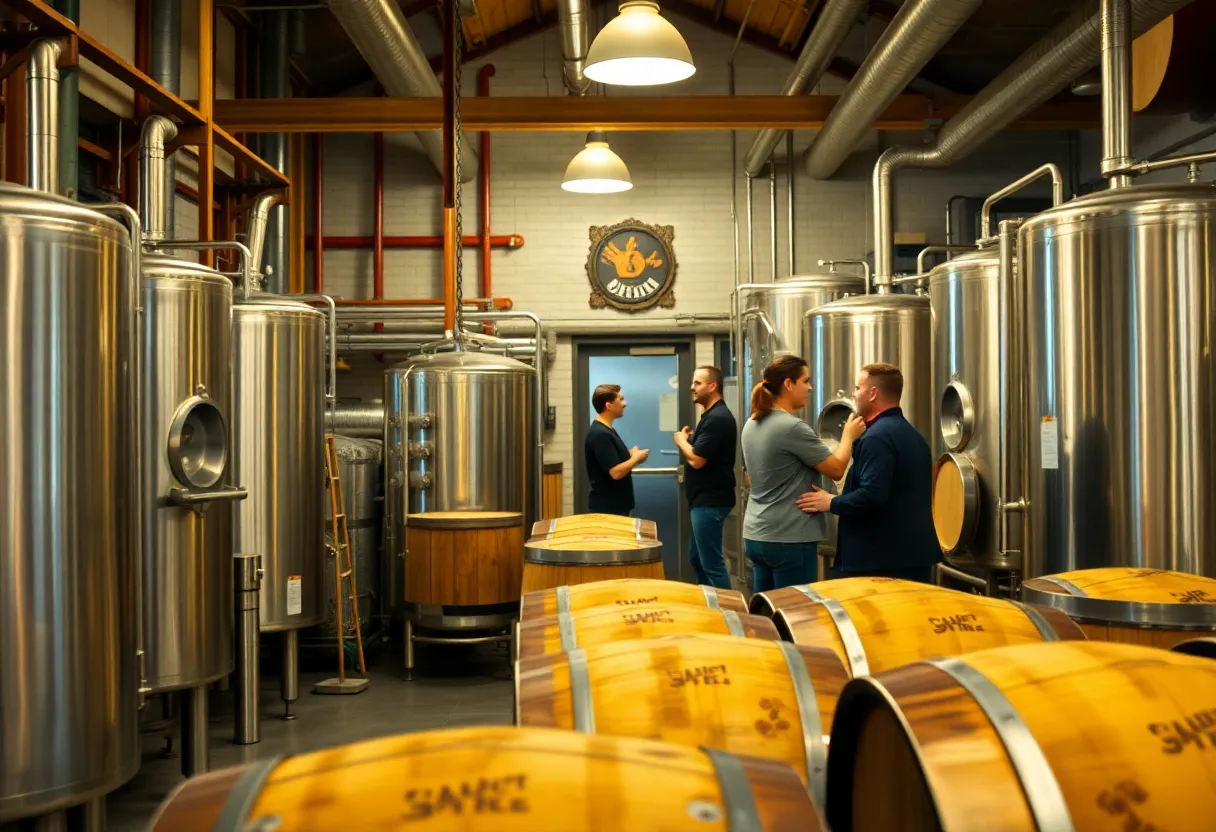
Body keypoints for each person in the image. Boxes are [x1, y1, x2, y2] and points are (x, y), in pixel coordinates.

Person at [796, 363, 939, 582]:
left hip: (878, 562)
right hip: (910, 557)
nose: (854, 395)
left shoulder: (878, 437)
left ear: (873, 393)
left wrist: (831, 502)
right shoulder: (913, 435)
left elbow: (873, 495)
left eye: (857, 388)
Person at [740, 355, 865, 593]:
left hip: (757, 533)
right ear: (788, 384)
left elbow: (750, 477)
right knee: (796, 614)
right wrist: (848, 435)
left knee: (767, 612)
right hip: (789, 538)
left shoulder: (752, 422)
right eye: (805, 380)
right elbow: (836, 470)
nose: (810, 387)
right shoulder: (792, 427)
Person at [673, 366, 737, 589]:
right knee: (697, 559)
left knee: (712, 564)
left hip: (711, 500)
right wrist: (691, 442)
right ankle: (709, 604)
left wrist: (681, 441)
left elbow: (697, 460)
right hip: (702, 500)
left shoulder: (718, 418)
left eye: (697, 383)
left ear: (712, 386)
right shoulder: (709, 416)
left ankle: (727, 613)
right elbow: (703, 452)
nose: (692, 387)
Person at [585, 384, 648, 516]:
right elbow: (615, 472)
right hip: (609, 510)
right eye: (621, 399)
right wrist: (636, 458)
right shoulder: (600, 434)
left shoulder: (607, 430)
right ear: (609, 405)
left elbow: (612, 460)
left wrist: (630, 454)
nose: (624, 404)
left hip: (615, 507)